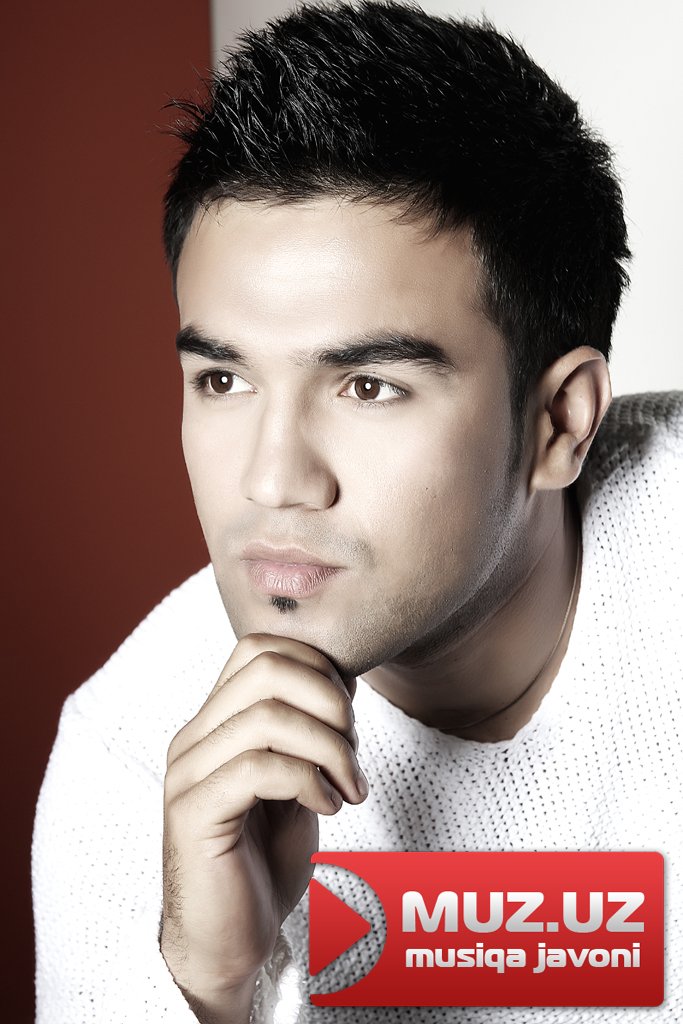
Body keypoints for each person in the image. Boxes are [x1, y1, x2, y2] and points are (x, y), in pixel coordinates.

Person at [32, 2, 682, 1022]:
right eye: (223, 381)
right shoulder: (133, 753)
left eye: (367, 386)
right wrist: (207, 988)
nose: (271, 480)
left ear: (558, 421)